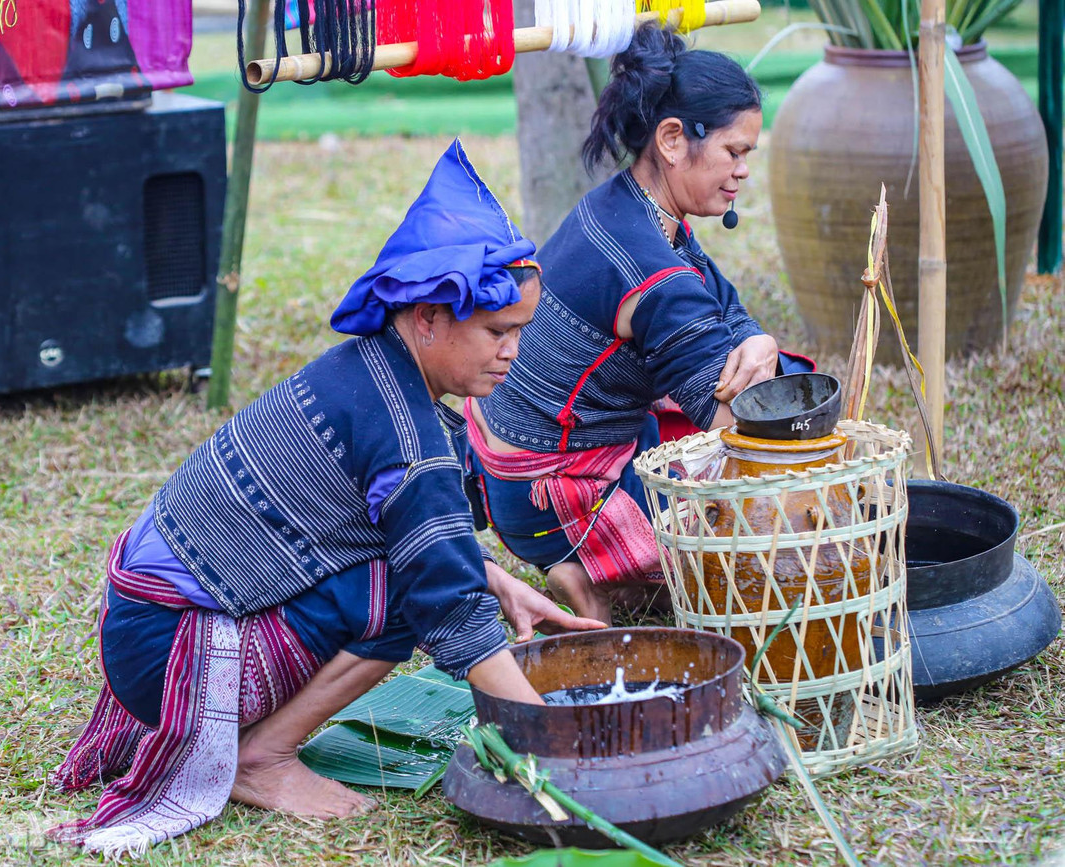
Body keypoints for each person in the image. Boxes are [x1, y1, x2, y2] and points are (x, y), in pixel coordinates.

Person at [46, 139, 604, 858]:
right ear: (428, 317)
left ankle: (262, 748)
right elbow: (446, 606)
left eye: (520, 332)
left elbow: (404, 534)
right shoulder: (407, 433)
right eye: (499, 331)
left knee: (417, 576)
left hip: (145, 619)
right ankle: (263, 757)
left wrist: (498, 583)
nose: (513, 352)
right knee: (409, 596)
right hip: (173, 648)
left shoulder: (370, 369)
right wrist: (560, 744)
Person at [466, 26, 813, 625]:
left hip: (507, 460)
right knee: (753, 531)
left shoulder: (623, 205)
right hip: (553, 488)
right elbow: (732, 427)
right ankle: (586, 557)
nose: (743, 171)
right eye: (735, 152)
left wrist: (757, 339)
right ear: (673, 139)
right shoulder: (651, 274)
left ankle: (584, 558)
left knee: (752, 379)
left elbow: (722, 304)